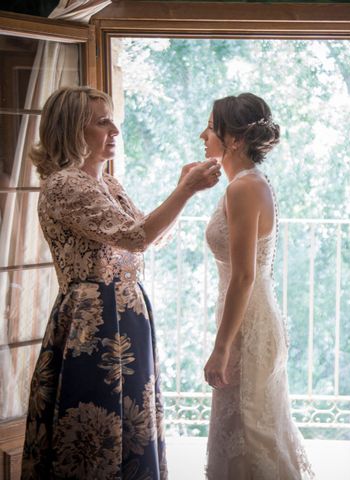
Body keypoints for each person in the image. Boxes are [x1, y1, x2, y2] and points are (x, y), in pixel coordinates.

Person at [21, 86, 221, 480]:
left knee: (131, 421)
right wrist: (184, 190)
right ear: (72, 130)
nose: (115, 128)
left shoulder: (108, 185)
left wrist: (183, 192)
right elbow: (135, 237)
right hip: (91, 323)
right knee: (94, 426)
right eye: (102, 121)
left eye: (113, 119)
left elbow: (148, 237)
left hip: (127, 314)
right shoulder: (65, 186)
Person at [202, 93, 315, 479]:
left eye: (210, 126)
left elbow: (244, 275)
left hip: (248, 324)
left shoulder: (243, 188)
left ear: (232, 139)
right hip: (247, 315)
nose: (203, 134)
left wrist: (221, 348)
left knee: (251, 432)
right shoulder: (244, 183)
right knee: (248, 428)